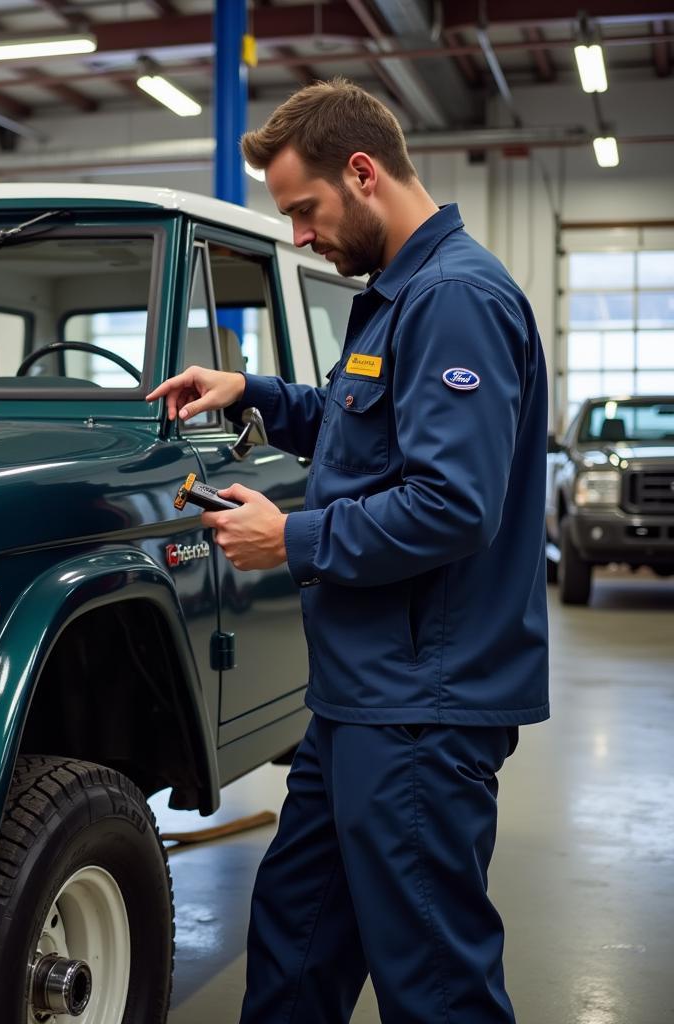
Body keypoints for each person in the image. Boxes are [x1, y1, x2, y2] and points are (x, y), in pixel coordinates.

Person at [146, 78, 549, 1023]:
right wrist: (250, 390)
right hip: (359, 700)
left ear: (362, 174)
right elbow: (357, 422)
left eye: (303, 210)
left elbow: (453, 505)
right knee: (295, 948)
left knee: (433, 980)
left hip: (421, 707)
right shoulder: (398, 296)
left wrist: (291, 537)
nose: (299, 236)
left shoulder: (454, 298)